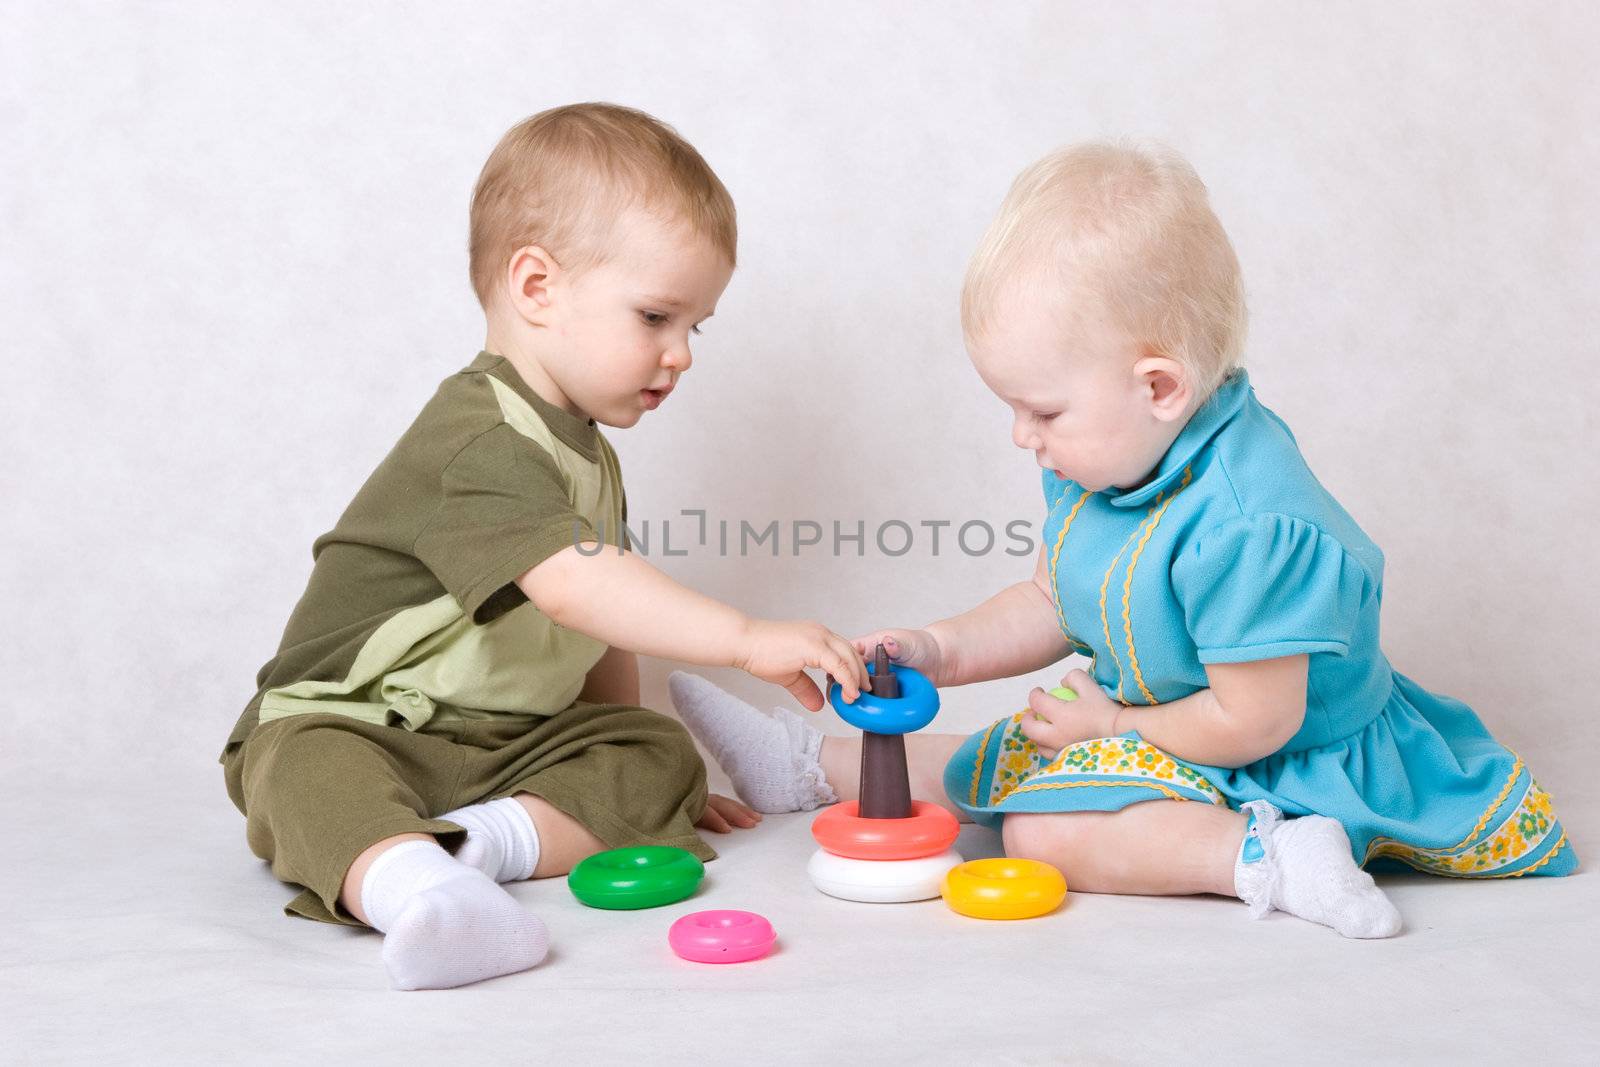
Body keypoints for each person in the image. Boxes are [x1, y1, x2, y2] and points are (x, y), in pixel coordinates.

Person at [671, 140, 1575, 941]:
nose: (1023, 436)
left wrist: (1111, 726)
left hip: (1277, 756)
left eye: (1042, 410)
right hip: (1165, 723)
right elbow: (1052, 600)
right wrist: (938, 648)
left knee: (1042, 827)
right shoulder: (1103, 452)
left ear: (1160, 386)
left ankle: (1274, 855)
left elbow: (1254, 719)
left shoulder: (1251, 524)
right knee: (1009, 756)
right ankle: (814, 762)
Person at [220, 102, 869, 989]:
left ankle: (468, 848)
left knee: (655, 751)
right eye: (655, 317)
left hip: (500, 746)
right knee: (303, 771)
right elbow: (573, 587)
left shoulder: (585, 451)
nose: (681, 355)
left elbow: (598, 632)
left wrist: (637, 770)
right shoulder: (478, 437)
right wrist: (747, 639)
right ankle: (417, 890)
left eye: (696, 327)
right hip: (364, 723)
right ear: (536, 288)